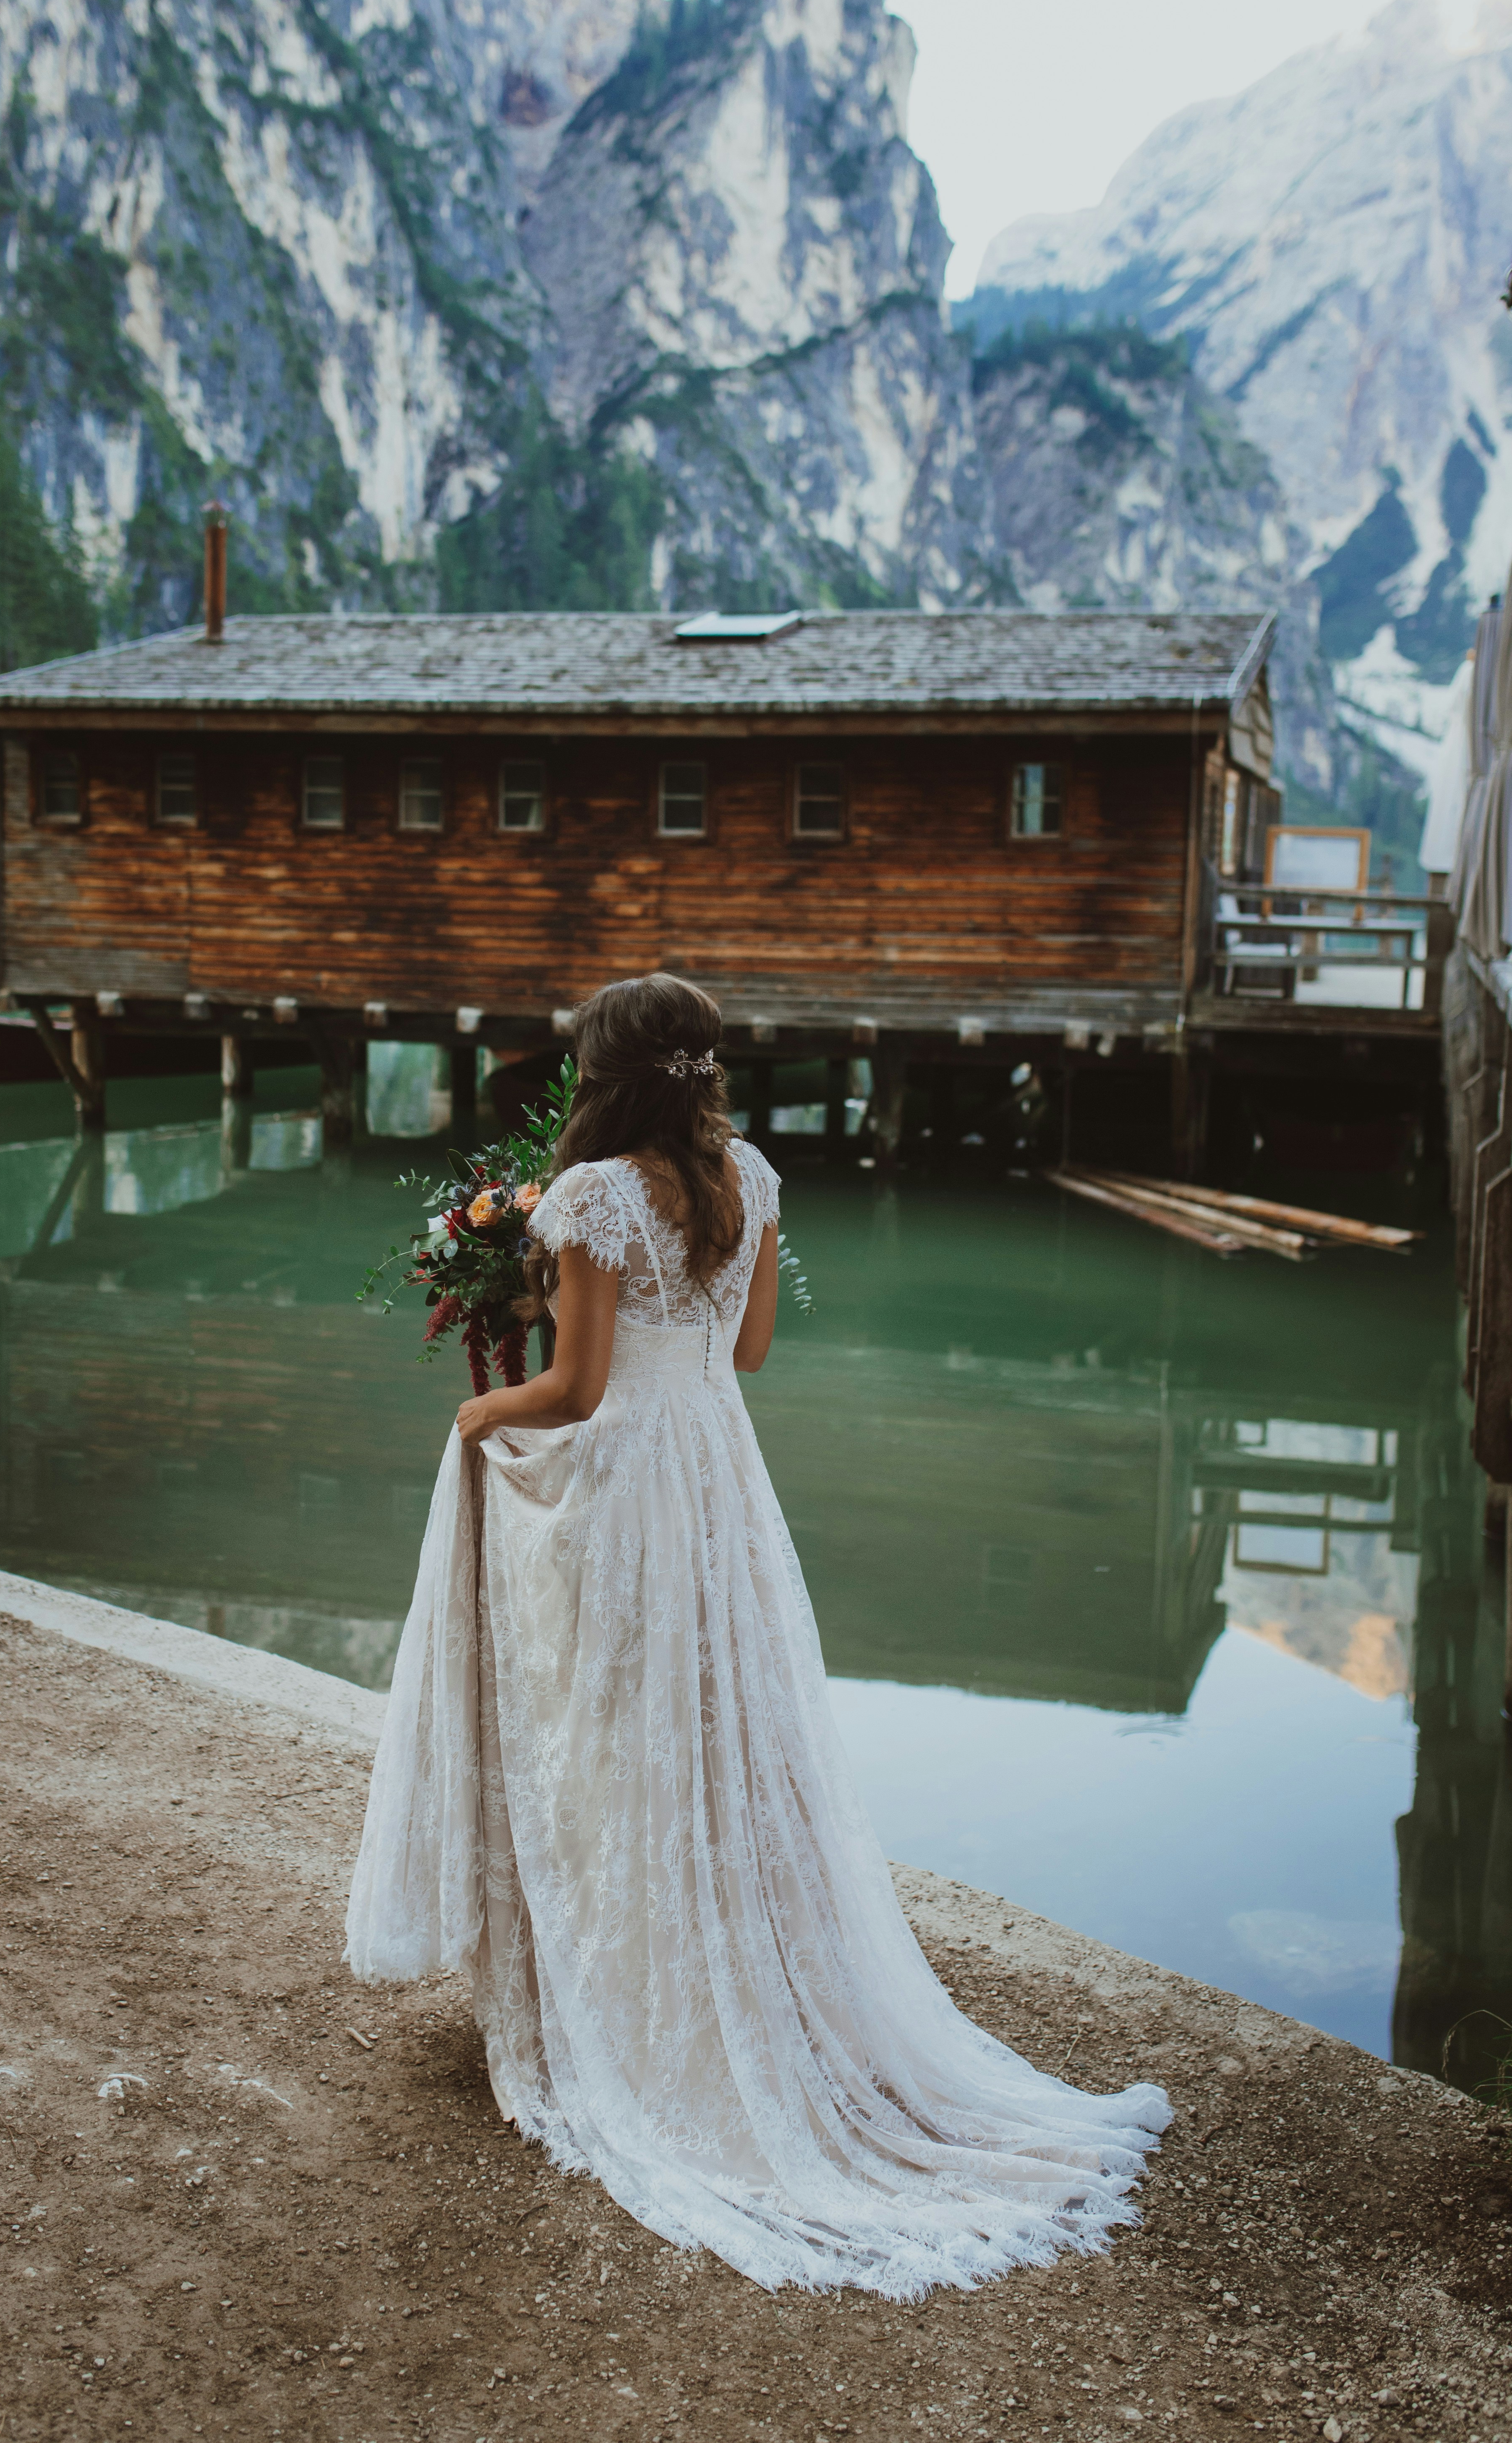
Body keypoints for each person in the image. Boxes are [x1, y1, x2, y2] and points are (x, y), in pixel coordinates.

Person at [346, 972, 1170, 2298]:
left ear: (604, 1071)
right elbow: (750, 1356)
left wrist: (477, 1420)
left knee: (617, 1722)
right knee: (721, 1720)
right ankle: (741, 1953)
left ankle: (635, 1993)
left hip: (631, 1481)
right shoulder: (754, 1181)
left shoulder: (595, 1197)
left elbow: (577, 1387)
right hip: (719, 1477)